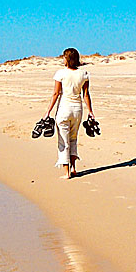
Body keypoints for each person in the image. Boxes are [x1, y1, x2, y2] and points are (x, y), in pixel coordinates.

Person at [43, 48, 94, 179]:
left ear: (67, 59)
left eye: (64, 57)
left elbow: (56, 93)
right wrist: (91, 112)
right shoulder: (84, 73)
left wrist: (48, 111)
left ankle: (67, 173)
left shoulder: (60, 73)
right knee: (73, 138)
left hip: (64, 109)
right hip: (77, 110)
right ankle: (73, 168)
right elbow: (86, 95)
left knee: (63, 141)